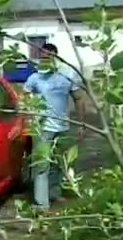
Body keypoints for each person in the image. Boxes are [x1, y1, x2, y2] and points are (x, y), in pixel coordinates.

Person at [23, 43, 86, 213]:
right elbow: (26, 99)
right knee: (42, 165)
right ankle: (42, 205)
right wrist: (30, 115)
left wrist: (81, 124)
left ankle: (54, 193)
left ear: (56, 57)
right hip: (42, 129)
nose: (45, 59)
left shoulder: (67, 76)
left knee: (58, 163)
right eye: (42, 57)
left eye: (48, 56)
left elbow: (79, 99)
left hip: (62, 127)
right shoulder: (35, 78)